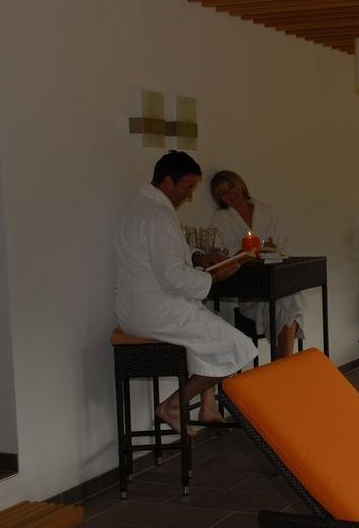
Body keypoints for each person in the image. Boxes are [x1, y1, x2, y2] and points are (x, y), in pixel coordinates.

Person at [115, 151, 258, 435]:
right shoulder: (156, 216)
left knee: (214, 336)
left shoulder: (141, 208)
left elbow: (167, 254)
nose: (190, 195)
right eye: (189, 187)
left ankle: (207, 407)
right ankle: (172, 405)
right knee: (238, 347)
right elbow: (174, 278)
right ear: (169, 181)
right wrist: (213, 276)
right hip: (156, 311)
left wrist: (197, 257)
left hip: (140, 308)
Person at [209, 170, 306, 359]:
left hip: (276, 282)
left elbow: (286, 248)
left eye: (231, 186)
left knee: (290, 300)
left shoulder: (268, 211)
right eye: (223, 193)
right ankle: (284, 366)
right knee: (290, 303)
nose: (230, 194)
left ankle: (281, 365)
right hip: (250, 289)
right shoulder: (220, 218)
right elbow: (221, 254)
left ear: (240, 184)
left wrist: (273, 249)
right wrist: (245, 253)